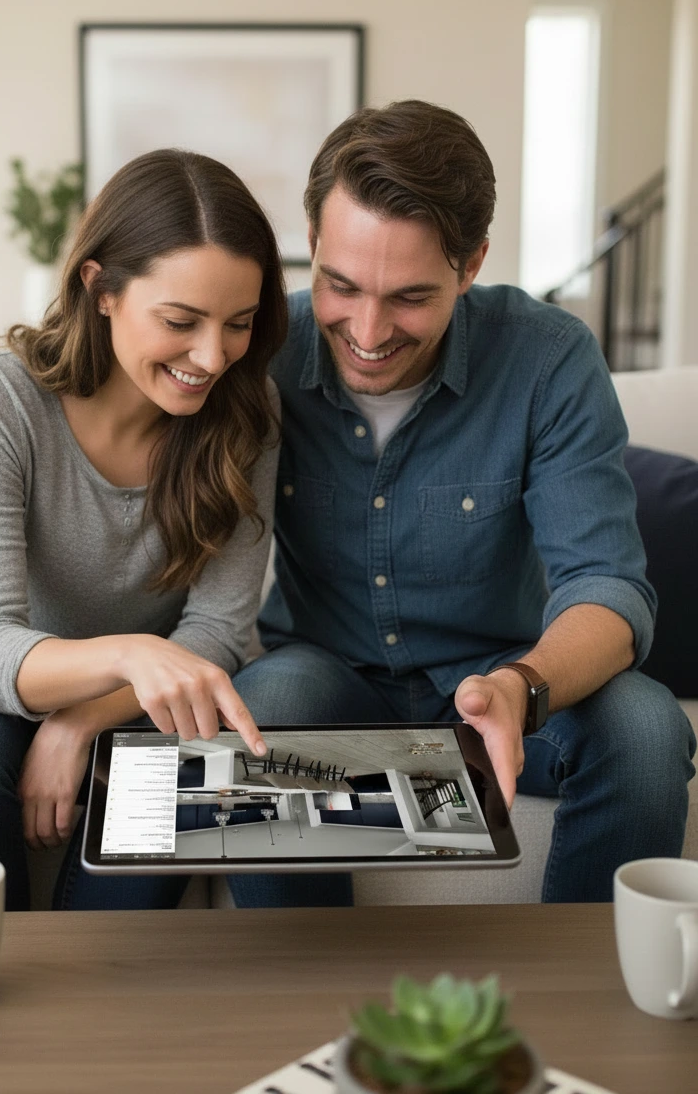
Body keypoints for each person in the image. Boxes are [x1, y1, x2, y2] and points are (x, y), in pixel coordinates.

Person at [232, 99, 696, 903]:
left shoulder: (549, 359)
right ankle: (306, 1009)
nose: (367, 330)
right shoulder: (259, 352)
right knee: (269, 702)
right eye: (341, 285)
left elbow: (608, 586)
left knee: (647, 729)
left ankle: (578, 1008)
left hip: (504, 676)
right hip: (324, 678)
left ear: (471, 263)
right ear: (311, 245)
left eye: (409, 296)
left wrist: (522, 686)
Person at [0, 148, 290, 911]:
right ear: (100, 288)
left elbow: (219, 632)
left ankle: (94, 1015)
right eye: (180, 321)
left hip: (131, 707)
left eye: (239, 324)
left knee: (158, 789)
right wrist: (134, 655)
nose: (212, 356)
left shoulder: (248, 414)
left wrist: (82, 722)